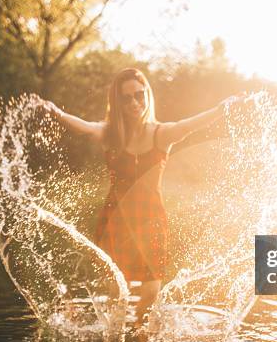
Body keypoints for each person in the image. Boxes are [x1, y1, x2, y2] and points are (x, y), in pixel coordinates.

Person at [44, 68, 246, 326]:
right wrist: (56, 112)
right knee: (117, 290)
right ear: (117, 102)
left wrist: (222, 108)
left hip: (151, 219)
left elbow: (193, 124)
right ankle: (114, 341)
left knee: (150, 292)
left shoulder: (162, 133)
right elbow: (84, 127)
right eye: (126, 98)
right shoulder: (110, 134)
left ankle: (139, 336)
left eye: (139, 95)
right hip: (116, 219)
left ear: (147, 95)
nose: (133, 102)